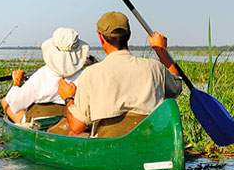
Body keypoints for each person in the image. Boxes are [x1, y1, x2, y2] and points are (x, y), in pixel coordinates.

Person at [53, 11, 182, 138]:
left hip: (107, 143)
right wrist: (160, 50)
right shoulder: (155, 67)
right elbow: (176, 87)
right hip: (148, 139)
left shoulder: (91, 73)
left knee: (72, 134)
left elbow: (77, 126)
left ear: (101, 38)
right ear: (129, 35)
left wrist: (69, 99)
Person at [1, 27, 90, 125]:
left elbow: (15, 104)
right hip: (71, 120)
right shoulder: (85, 75)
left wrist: (16, 83)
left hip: (40, 121)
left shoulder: (42, 74)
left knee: (5, 101)